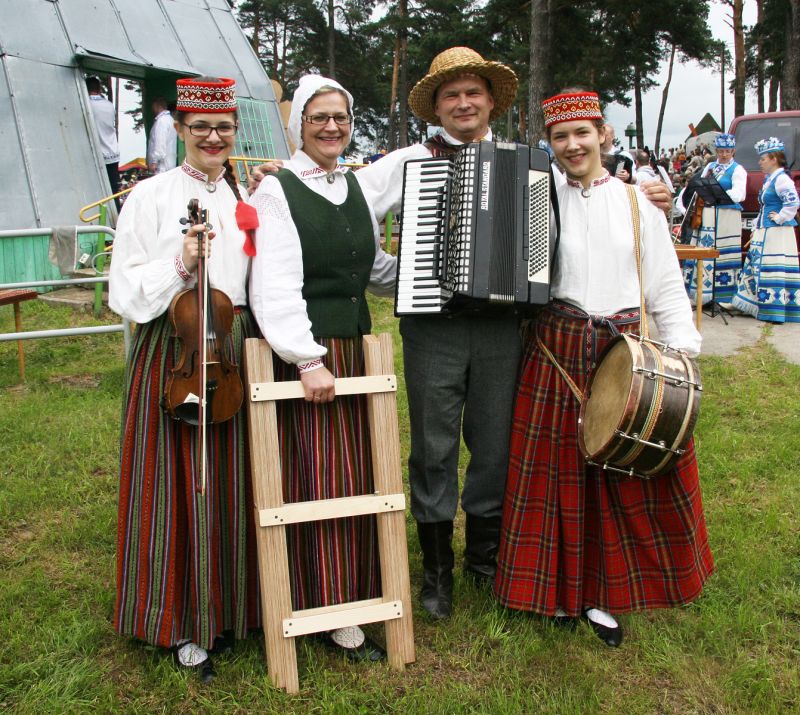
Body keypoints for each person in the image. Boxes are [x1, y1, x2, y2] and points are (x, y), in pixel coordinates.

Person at [248, 47, 673, 623]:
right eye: (451, 95)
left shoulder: (534, 165)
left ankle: (484, 556)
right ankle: (436, 567)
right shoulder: (407, 161)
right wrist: (288, 180)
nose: (463, 103)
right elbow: (340, 199)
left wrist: (642, 193)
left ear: (491, 101)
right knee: (433, 445)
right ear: (437, 106)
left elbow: (584, 194)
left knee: (496, 444)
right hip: (433, 328)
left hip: (504, 328)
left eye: (473, 92)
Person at [494, 90, 714, 648]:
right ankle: (548, 589)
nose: (572, 146)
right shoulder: (538, 200)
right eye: (560, 137)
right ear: (550, 142)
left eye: (582, 134)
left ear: (603, 135)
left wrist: (681, 350)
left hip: (625, 352)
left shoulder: (639, 204)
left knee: (620, 474)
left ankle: (602, 592)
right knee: (554, 474)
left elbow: (665, 283)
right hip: (556, 347)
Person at [109, 77, 260, 682]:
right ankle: (177, 619)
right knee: (173, 483)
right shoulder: (150, 196)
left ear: (234, 131)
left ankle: (235, 607)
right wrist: (181, 262)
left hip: (232, 348)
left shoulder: (248, 195)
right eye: (200, 127)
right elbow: (124, 291)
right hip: (172, 349)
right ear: (179, 130)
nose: (213, 137)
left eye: (223, 127)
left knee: (234, 479)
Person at [248, 74, 396, 661]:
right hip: (307, 355)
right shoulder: (277, 190)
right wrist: (306, 358)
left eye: (340, 118)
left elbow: (371, 267)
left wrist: (432, 273)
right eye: (319, 118)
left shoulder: (351, 184)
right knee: (318, 477)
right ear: (298, 127)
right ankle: (327, 607)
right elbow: (273, 283)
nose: (332, 127)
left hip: (353, 348)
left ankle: (350, 593)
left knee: (354, 476)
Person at [732, 137, 800, 323]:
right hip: (766, 230)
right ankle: (753, 303)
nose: (760, 162)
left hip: (776, 232)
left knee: (771, 267)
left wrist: (780, 217)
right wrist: (757, 224)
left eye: (763, 159)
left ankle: (774, 310)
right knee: (757, 265)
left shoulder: (782, 179)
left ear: (773, 159)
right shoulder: (771, 179)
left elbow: (793, 202)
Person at [678, 134, 747, 305]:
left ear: (733, 151)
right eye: (721, 151)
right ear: (716, 151)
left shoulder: (738, 169)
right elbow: (699, 184)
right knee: (704, 249)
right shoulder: (710, 166)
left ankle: (723, 296)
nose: (724, 155)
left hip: (726, 216)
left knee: (723, 252)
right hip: (708, 214)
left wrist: (719, 194)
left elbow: (740, 193)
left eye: (727, 151)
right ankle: (701, 293)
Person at [86, 76, 121, 198]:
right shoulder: (109, 105)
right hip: (113, 152)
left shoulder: (87, 104)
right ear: (99, 88)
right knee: (113, 191)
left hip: (97, 153)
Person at [147, 96, 178, 174]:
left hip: (162, 166)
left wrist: (154, 162)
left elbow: (160, 142)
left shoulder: (161, 121)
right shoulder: (170, 120)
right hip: (169, 163)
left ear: (156, 105)